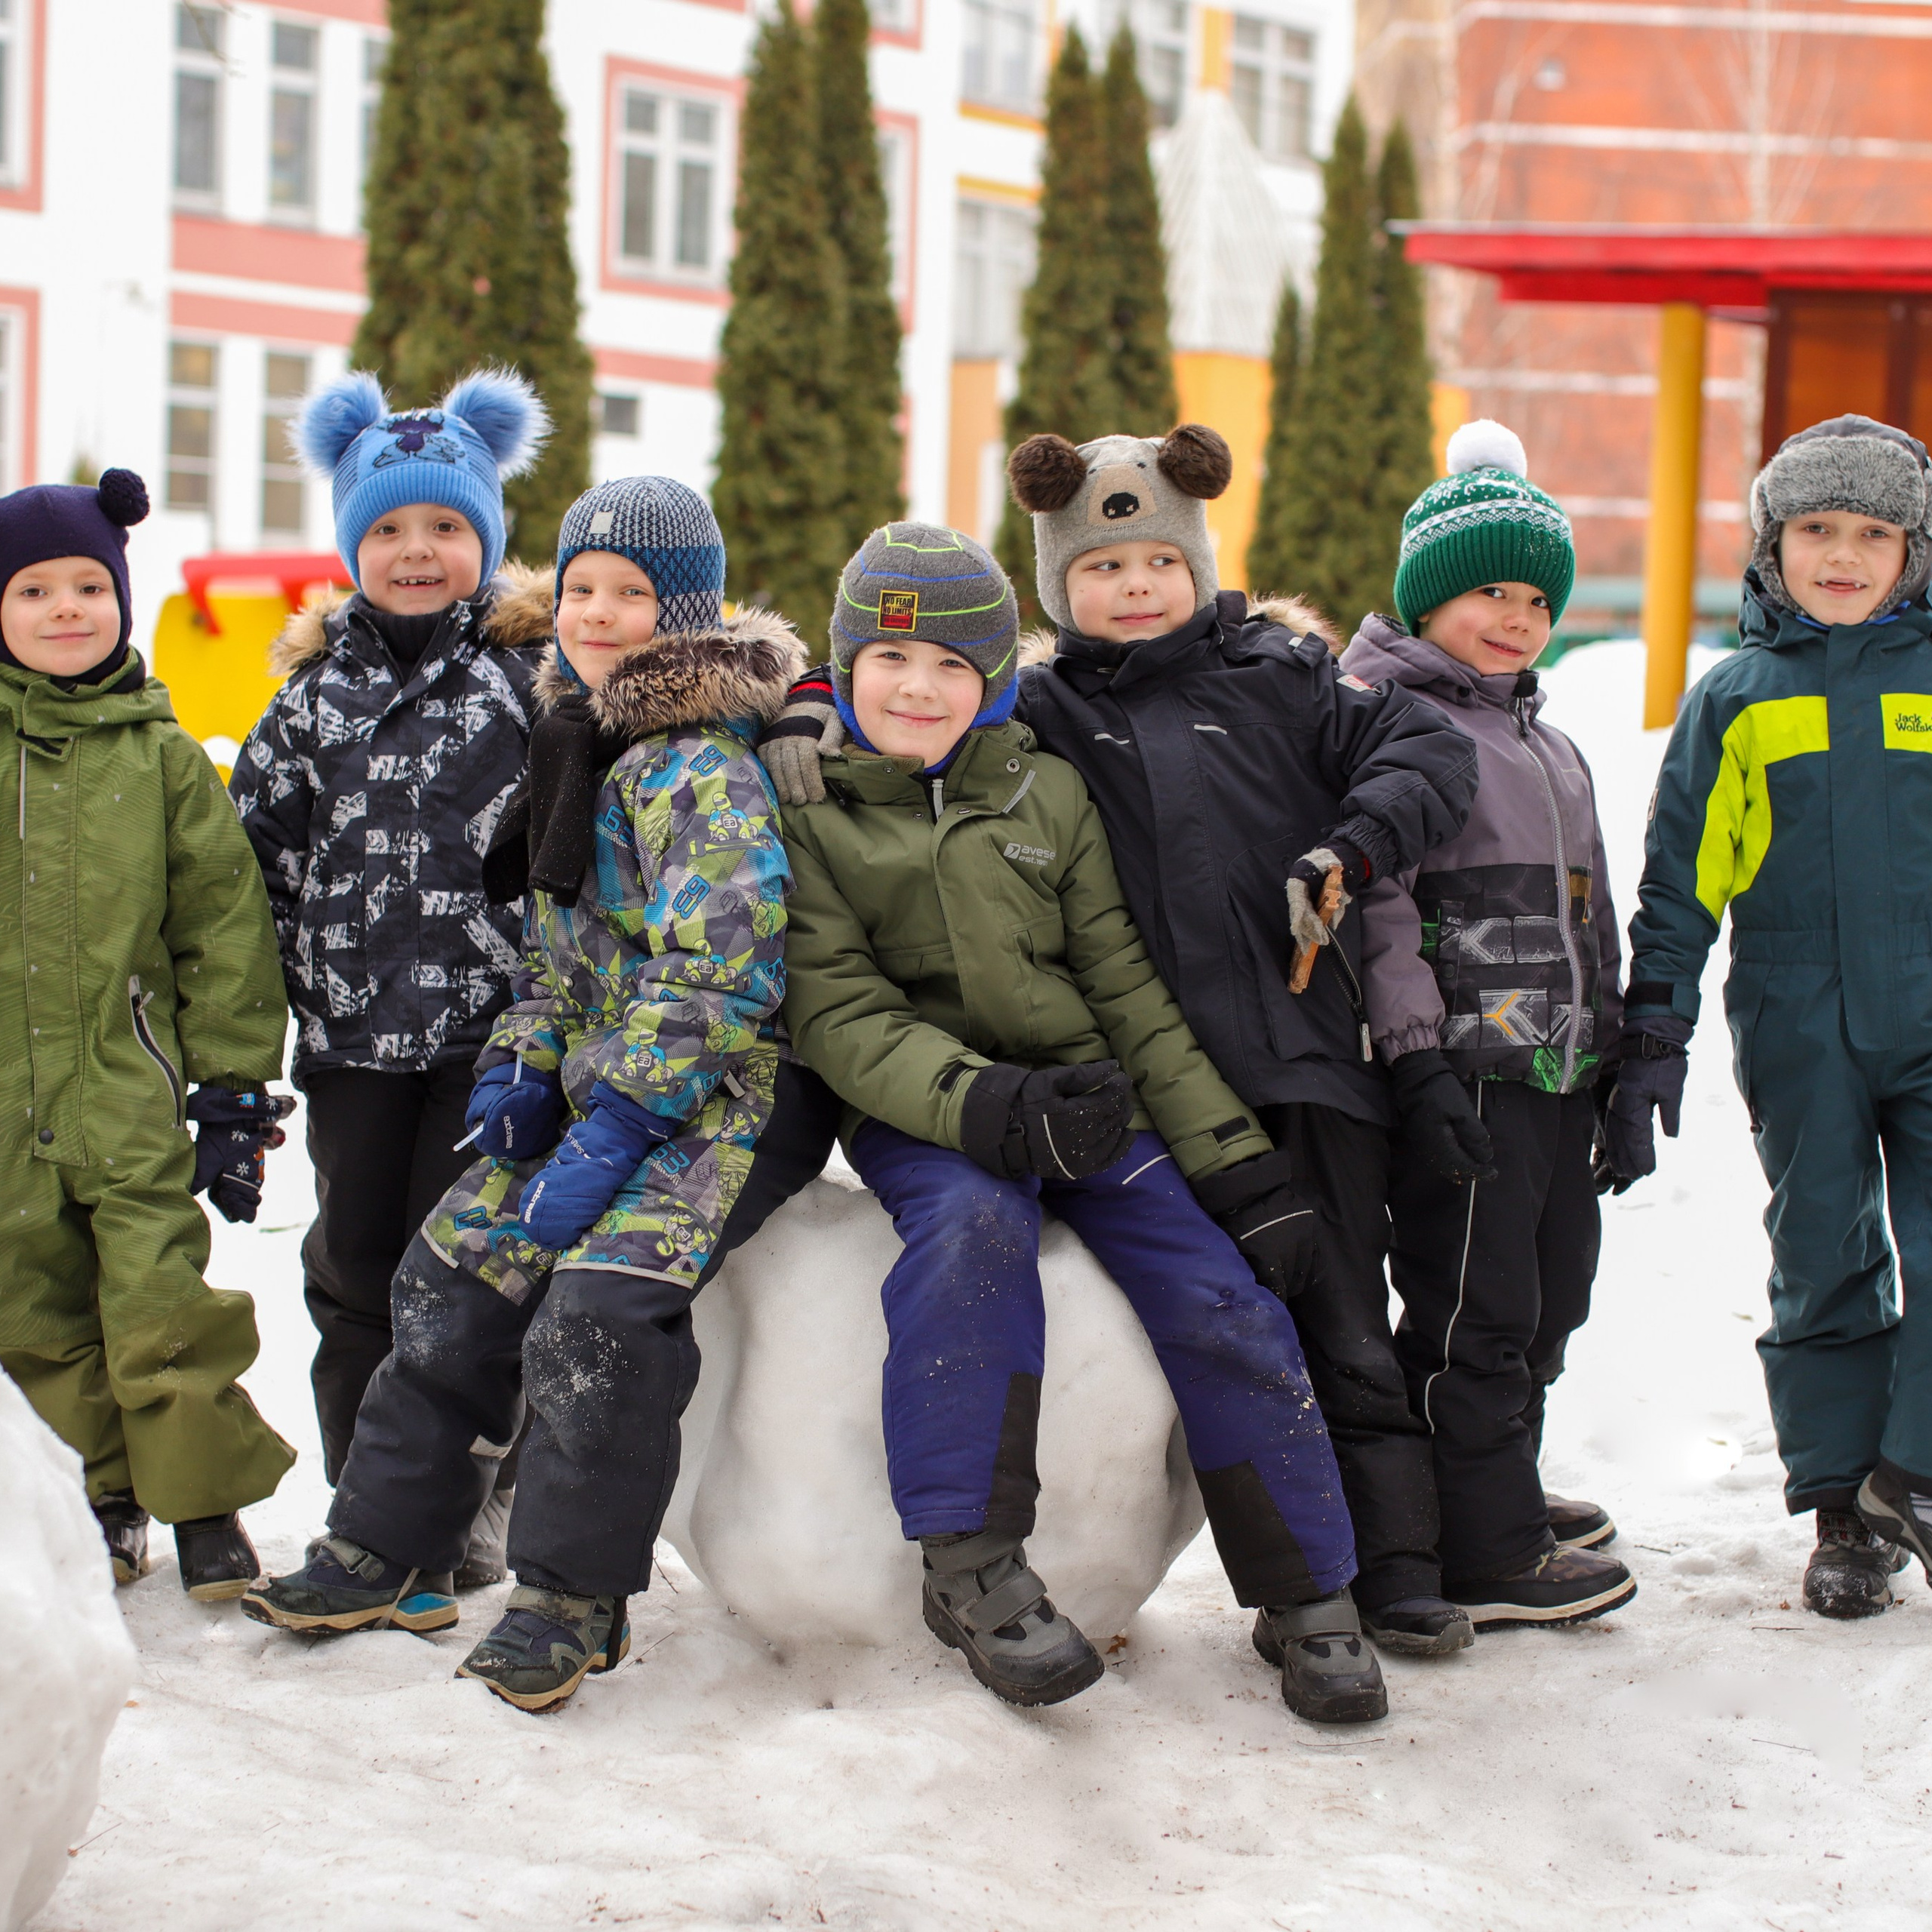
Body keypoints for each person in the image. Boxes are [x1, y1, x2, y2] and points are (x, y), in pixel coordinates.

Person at [763, 428, 1481, 1657]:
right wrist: (987, 1107)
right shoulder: (817, 810)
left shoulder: (1043, 787)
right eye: (885, 660)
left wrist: (1237, 1168)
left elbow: (1125, 985)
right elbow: (836, 1009)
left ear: (992, 677)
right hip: (935, 1120)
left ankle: (1307, 1594)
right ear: (845, 669)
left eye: (949, 662)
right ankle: (973, 1563)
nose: (918, 688)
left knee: (1223, 1291)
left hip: (1099, 1101)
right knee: (973, 1239)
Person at [245, 476, 841, 1713]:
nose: (598, 613)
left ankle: (572, 1597)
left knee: (595, 1312)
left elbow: (722, 974)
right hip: (600, 1081)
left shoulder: (697, 771)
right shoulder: (577, 743)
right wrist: (522, 1062)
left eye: (632, 593)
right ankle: (381, 1537)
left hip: (719, 1096)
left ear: (683, 613)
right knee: (449, 1265)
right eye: (579, 589)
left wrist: (619, 1120)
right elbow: (553, 959)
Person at [229, 368, 551, 1584]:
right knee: (356, 1270)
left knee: (467, 1275)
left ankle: (465, 1509)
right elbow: (251, 867)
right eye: (389, 528)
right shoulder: (309, 705)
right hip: (354, 1042)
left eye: (447, 525)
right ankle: (360, 1510)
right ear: (353, 544)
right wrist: (250, 1038)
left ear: (487, 538)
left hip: (491, 1046)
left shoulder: (533, 686)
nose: (418, 550)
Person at [1618, 414, 1932, 1618]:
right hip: (1800, 1016)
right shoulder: (1738, 700)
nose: (1842, 555)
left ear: (1912, 553)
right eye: (1815, 529)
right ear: (1771, 544)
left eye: (1872, 532)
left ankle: (1915, 1470)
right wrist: (1654, 1033)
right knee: (1824, 1257)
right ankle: (1846, 1509)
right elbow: (1680, 885)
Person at [1341, 420, 1638, 1631]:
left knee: (1554, 1293)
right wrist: (1417, 1066)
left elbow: (1593, 918)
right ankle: (1481, 1545)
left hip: (1558, 1074)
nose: (1514, 618)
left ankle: (1494, 1484)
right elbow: (1382, 912)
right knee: (1479, 1308)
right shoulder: (1396, 726)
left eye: (1535, 598)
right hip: (1464, 1077)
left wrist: (1616, 1064)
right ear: (1426, 603)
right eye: (1484, 595)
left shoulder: (1549, 740)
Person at [0, 469, 296, 1597]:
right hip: (4, 1092)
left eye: (89, 585)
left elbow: (223, 928)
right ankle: (102, 1494)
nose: (66, 609)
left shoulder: (163, 756)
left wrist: (229, 1090)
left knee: (160, 1294)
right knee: (30, 1307)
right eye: (34, 590)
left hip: (125, 1084)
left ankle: (203, 1503)